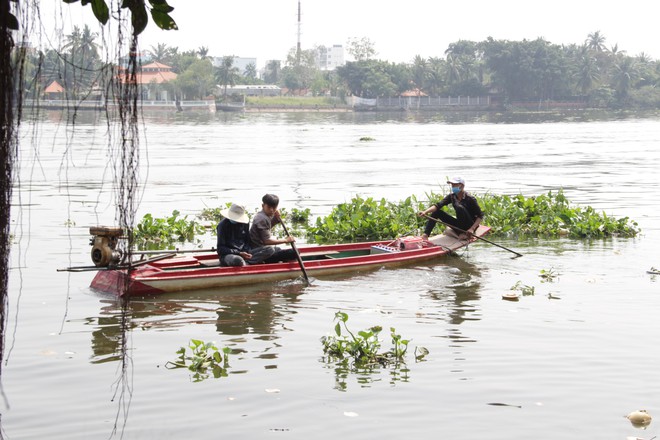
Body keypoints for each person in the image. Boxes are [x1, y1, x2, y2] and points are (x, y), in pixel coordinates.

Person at [417, 177, 483, 240]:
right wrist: (425, 212)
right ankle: (426, 235)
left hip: (469, 226)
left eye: (455, 185)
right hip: (459, 225)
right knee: (437, 212)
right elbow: (438, 205)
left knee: (459, 208)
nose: (453, 187)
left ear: (462, 185)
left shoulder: (470, 199)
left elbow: (480, 216)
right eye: (452, 185)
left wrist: (472, 229)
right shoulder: (452, 196)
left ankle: (463, 233)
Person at [249, 194, 298, 263]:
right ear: (263, 206)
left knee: (278, 249)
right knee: (294, 252)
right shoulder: (261, 218)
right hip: (259, 251)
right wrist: (285, 240)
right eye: (269, 207)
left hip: (262, 248)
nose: (272, 210)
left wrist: (276, 218)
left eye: (274, 208)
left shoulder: (263, 215)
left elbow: (266, 229)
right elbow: (266, 241)